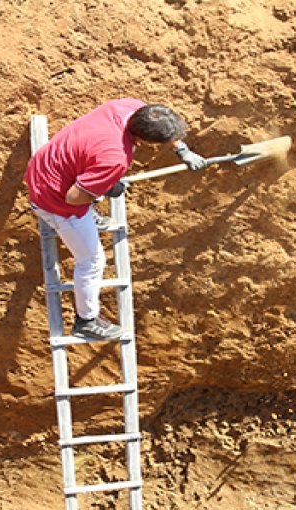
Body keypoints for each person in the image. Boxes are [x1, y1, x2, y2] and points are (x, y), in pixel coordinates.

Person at [25, 99, 207, 341]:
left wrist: (182, 149)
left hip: (45, 165)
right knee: (91, 262)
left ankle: (91, 208)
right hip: (53, 199)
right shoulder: (115, 158)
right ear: (142, 141)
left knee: (93, 187)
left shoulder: (128, 107)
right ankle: (86, 321)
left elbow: (158, 123)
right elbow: (73, 197)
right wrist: (102, 188)